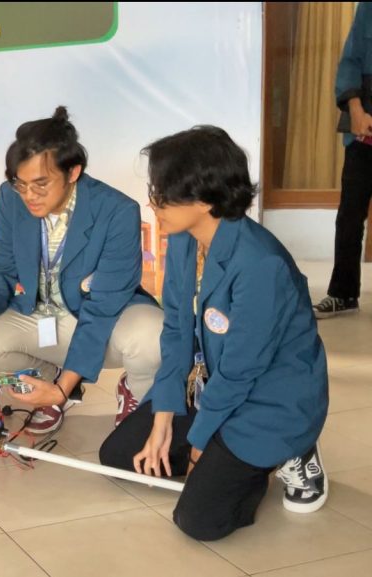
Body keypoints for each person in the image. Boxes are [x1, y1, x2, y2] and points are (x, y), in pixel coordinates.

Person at [99, 126, 329, 541]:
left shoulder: (261, 265)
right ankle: (224, 450)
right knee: (118, 456)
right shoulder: (186, 240)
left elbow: (243, 370)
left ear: (203, 200)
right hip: (215, 386)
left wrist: (202, 440)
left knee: (199, 520)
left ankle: (288, 450)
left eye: (161, 194)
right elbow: (175, 331)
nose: (153, 206)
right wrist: (163, 417)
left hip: (267, 399)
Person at [0, 106, 163, 433]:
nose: (29, 196)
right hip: (39, 315)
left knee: (152, 335)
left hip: (98, 317)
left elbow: (103, 308)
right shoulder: (10, 198)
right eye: (20, 184)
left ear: (73, 172)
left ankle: (135, 393)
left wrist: (60, 392)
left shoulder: (117, 211)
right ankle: (45, 387)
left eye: (40, 184)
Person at [314, 2, 372, 319]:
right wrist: (356, 110)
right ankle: (343, 293)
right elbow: (350, 61)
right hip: (365, 133)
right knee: (349, 216)